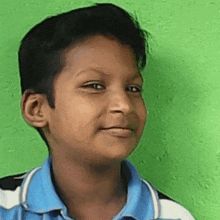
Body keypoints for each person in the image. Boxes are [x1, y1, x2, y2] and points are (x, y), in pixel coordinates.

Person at [0, 3, 195, 220]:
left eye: (133, 89)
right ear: (37, 109)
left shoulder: (171, 216)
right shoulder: (6, 207)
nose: (124, 105)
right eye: (94, 86)